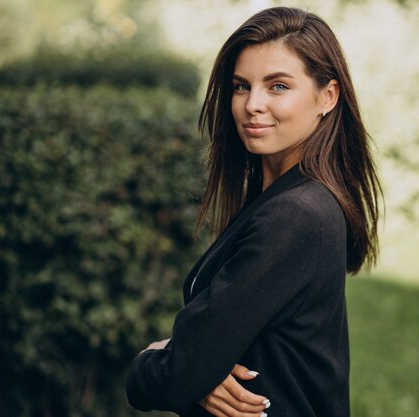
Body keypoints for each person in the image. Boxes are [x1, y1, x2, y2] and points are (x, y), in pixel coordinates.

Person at [125, 6, 381, 417]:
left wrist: (149, 361)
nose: (252, 104)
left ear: (327, 96)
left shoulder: (297, 215)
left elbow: (177, 375)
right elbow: (199, 363)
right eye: (241, 86)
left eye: (278, 86)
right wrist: (196, 371)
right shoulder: (282, 200)